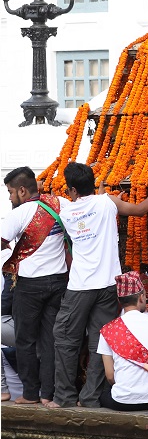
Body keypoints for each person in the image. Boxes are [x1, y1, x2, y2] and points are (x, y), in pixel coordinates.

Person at [54, 162, 148, 408]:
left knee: (66, 339)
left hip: (79, 286)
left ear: (72, 190)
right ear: (93, 184)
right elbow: (141, 209)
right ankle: (89, 398)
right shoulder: (108, 202)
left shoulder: (66, 211)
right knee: (101, 342)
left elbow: (85, 204)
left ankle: (64, 398)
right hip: (109, 286)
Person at [2, 166, 69, 406]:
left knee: (25, 340)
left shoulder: (20, 213)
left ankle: (30, 393)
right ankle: (47, 393)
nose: (10, 198)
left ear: (22, 190)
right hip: (60, 282)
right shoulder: (61, 203)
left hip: (30, 286)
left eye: (10, 192)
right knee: (50, 340)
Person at [97, 271, 148, 412]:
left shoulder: (108, 330)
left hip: (123, 401)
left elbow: (110, 376)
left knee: (102, 394)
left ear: (120, 301)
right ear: (141, 297)